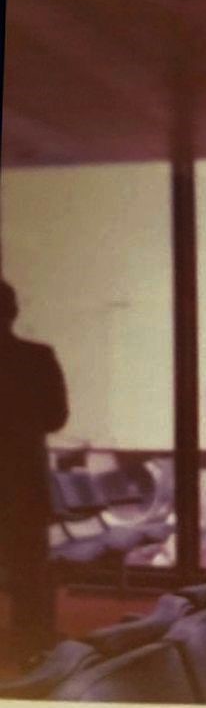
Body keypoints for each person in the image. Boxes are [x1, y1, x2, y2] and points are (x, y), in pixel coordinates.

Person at [0, 280, 68, 663]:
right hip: (24, 479)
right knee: (30, 568)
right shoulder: (38, 357)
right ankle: (33, 646)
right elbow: (57, 417)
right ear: (13, 312)